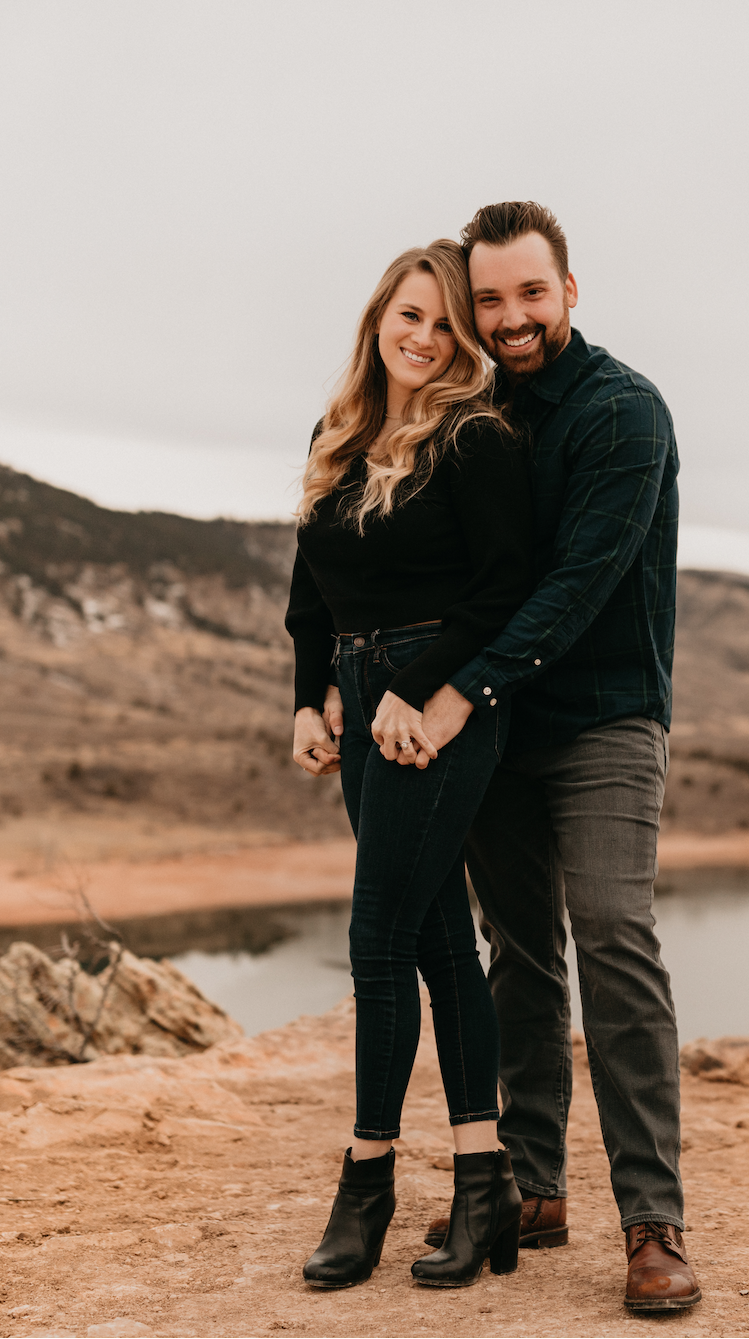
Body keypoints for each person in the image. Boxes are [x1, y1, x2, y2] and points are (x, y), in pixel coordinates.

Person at [408, 202, 700, 1312]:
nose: (511, 316)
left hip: (603, 718)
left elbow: (578, 584)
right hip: (496, 726)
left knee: (614, 932)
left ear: (569, 291)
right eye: (489, 300)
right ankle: (530, 1185)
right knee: (517, 951)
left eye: (531, 293)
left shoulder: (624, 414)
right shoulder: (468, 414)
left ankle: (651, 1220)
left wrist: (459, 688)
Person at [285, 240, 533, 1290]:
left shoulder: (475, 439)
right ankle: (485, 1184)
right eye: (410, 316)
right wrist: (309, 692)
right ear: (377, 317)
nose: (425, 339)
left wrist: (412, 685)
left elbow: (502, 585)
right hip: (359, 694)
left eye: (446, 324)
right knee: (431, 938)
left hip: (437, 707)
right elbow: (313, 585)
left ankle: (367, 1180)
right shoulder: (339, 433)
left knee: (377, 935)